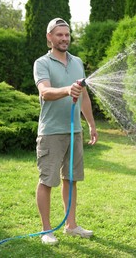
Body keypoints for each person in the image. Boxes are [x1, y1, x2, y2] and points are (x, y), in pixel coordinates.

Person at [33, 18, 98, 245]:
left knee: (71, 179)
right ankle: (46, 230)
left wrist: (90, 123)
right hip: (51, 132)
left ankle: (71, 225)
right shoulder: (42, 63)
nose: (64, 39)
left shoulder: (77, 62)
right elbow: (45, 92)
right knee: (47, 181)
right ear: (49, 37)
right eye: (59, 35)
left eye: (67, 35)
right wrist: (66, 89)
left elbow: (84, 95)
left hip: (74, 131)